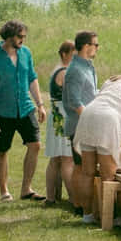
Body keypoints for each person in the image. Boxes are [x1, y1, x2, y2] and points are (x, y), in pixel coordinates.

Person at [0, 19, 46, 203]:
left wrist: (40, 104)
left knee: (35, 145)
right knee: (2, 150)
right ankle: (4, 191)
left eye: (24, 36)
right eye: (20, 36)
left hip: (26, 109)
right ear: (9, 36)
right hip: (3, 112)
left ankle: (26, 189)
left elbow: (32, 78)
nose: (23, 40)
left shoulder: (26, 53)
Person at [73, 75, 121, 224]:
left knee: (87, 172)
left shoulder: (112, 80)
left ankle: (87, 215)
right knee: (108, 176)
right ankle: (112, 218)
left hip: (88, 113)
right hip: (107, 118)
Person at [61, 30, 99, 212]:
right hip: (80, 125)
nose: (97, 48)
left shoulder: (88, 66)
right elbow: (74, 102)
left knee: (83, 166)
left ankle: (82, 204)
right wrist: (91, 120)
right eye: (95, 45)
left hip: (87, 123)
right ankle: (80, 205)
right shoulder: (75, 70)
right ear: (86, 46)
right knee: (82, 167)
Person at [42, 39, 77, 205]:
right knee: (67, 158)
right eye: (73, 54)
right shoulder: (64, 72)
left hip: (55, 114)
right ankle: (73, 198)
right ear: (64, 54)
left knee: (55, 159)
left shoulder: (57, 69)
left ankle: (51, 197)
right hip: (62, 116)